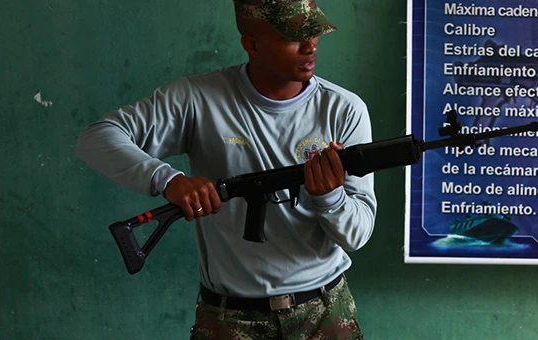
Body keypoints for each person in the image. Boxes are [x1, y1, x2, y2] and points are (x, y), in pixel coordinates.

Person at [75, 0, 376, 339]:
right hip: (228, 316)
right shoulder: (199, 98)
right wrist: (168, 179)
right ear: (251, 43)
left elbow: (357, 235)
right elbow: (96, 138)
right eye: (293, 36)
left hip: (323, 311)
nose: (310, 46)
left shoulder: (343, 110)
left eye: (314, 33)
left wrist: (330, 197)